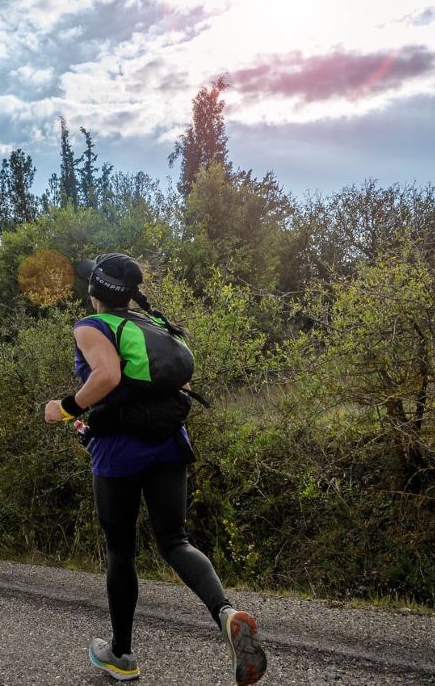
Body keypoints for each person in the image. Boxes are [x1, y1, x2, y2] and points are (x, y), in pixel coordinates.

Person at [45, 254, 267, 685]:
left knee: (122, 550)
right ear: (129, 293)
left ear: (94, 292)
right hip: (168, 444)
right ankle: (226, 613)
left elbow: (107, 376)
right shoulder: (156, 327)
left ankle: (122, 656)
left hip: (119, 454)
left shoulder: (91, 326)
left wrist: (64, 409)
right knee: (174, 540)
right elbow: (176, 388)